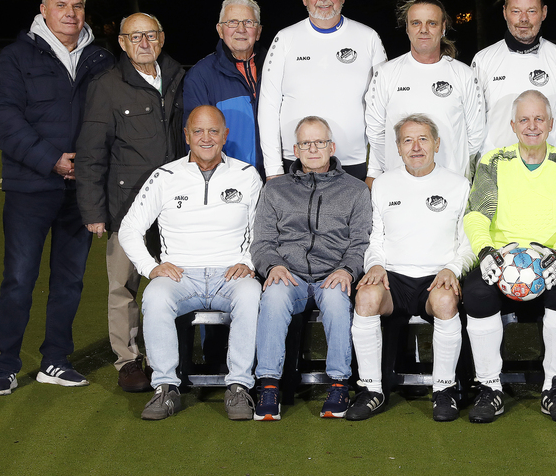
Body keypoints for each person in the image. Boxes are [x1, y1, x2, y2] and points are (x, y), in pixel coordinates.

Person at [0, 0, 113, 395]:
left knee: (70, 280)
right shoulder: (17, 56)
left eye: (77, 5)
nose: (70, 13)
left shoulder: (101, 59)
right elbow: (4, 120)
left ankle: (55, 360)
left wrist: (90, 164)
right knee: (19, 278)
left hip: (81, 190)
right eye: (61, 5)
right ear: (44, 9)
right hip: (31, 186)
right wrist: (51, 159)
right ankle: (5, 364)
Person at [118, 106, 263, 420]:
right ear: (186, 136)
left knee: (251, 294)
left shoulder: (246, 175)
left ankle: (239, 386)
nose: (205, 138)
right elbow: (129, 228)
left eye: (213, 131)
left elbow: (261, 228)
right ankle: (165, 388)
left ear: (225, 135)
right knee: (155, 296)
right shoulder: (165, 176)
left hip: (230, 274)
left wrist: (248, 261)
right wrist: (150, 267)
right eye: (198, 131)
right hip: (181, 276)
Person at [462, 90, 556, 423]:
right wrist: (485, 251)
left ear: (550, 123)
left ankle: (555, 388)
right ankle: (489, 388)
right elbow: (477, 214)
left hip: (550, 262)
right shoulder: (494, 161)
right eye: (524, 119)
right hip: (500, 262)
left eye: (539, 119)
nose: (532, 126)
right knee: (475, 292)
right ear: (512, 125)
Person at [76, 11, 185, 393]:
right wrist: (94, 211)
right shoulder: (106, 86)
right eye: (134, 36)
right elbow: (91, 153)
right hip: (126, 208)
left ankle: (165, 359)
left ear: (162, 38)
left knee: (172, 282)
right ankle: (128, 361)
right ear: (122, 42)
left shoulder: (178, 77)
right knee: (124, 287)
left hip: (173, 208)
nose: (143, 42)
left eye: (150, 35)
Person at [348, 114, 473, 421]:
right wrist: (375, 265)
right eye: (407, 140)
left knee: (445, 301)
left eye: (423, 139)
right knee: (366, 296)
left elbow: (468, 244)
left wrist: (452, 269)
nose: (416, 147)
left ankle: (444, 390)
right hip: (394, 277)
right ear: (398, 148)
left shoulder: (459, 185)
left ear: (437, 144)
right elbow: (374, 238)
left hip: (437, 276)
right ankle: (371, 389)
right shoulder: (383, 185)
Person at [251, 116, 372, 421]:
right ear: (295, 150)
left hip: (332, 273)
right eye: (306, 143)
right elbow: (262, 241)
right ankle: (269, 386)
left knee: (336, 300)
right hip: (288, 274)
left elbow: (361, 242)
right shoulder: (275, 190)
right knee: (273, 296)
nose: (313, 149)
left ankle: (339, 384)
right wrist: (273, 266)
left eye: (320, 142)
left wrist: (346, 270)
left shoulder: (356, 190)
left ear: (332, 147)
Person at [258, 0, 386, 181]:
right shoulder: (285, 39)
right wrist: (273, 169)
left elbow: (383, 108)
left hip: (352, 165)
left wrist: (375, 170)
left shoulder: (368, 38)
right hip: (295, 164)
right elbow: (268, 106)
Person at [364, 0, 484, 183]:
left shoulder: (464, 74)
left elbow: (475, 135)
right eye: (416, 23)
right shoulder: (386, 74)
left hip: (450, 184)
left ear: (443, 27)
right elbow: (376, 132)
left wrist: (451, 165)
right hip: (400, 183)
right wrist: (397, 166)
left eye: (432, 23)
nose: (424, 29)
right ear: (407, 28)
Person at [471, 0, 556, 157]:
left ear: (544, 12)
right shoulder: (483, 60)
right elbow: (473, 126)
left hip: (547, 168)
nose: (523, 19)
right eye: (516, 11)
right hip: (497, 168)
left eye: (531, 11)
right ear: (505, 12)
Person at [183, 0, 267, 175]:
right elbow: (196, 139)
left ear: (258, 31)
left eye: (249, 22)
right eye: (232, 22)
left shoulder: (276, 68)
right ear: (220, 30)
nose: (241, 29)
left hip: (275, 176)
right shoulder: (200, 76)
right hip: (228, 179)